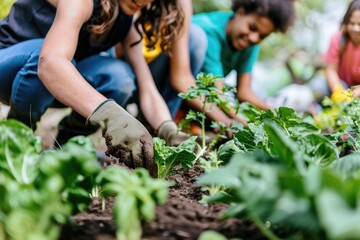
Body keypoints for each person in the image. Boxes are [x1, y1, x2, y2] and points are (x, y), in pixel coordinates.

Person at [0, 0, 187, 177]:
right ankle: (15, 142)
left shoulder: (126, 20)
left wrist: (168, 129)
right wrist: (112, 116)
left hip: (50, 81)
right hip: (9, 65)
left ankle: (67, 149)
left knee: (118, 77)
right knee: (49, 54)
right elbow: (50, 63)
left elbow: (148, 88)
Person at [185, 0, 295, 126]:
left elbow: (244, 92)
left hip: (204, 95)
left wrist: (277, 115)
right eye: (252, 27)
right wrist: (245, 126)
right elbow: (217, 94)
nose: (254, 38)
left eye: (262, 36)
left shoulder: (250, 43)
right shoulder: (210, 31)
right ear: (240, 12)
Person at [318, 0, 360, 103]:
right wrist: (338, 92)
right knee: (318, 86)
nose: (355, 28)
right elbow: (330, 70)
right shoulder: (338, 39)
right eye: (352, 23)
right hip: (342, 85)